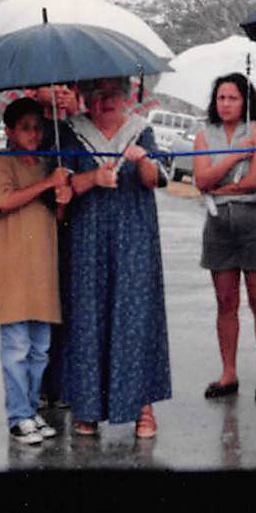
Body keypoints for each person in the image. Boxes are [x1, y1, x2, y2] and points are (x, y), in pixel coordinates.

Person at [59, 76, 172, 439]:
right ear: (86, 98)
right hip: (88, 233)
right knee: (89, 313)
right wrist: (94, 177)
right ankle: (88, 407)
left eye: (114, 94)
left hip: (134, 234)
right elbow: (65, 186)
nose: (107, 101)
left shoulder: (142, 132)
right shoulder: (71, 133)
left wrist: (142, 163)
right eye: (98, 94)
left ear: (126, 97)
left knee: (134, 313)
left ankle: (142, 407)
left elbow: (156, 179)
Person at [0, 97, 72, 444]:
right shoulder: (0, 161)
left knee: (40, 348)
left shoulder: (48, 164)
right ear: (9, 131)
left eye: (37, 128)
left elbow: (55, 214)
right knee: (17, 346)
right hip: (13, 268)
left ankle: (32, 410)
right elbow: (4, 202)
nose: (33, 134)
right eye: (25, 128)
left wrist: (62, 196)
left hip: (43, 268)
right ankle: (17, 415)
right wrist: (48, 183)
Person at [192, 72, 256, 403]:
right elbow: (201, 179)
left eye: (233, 98)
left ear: (245, 100)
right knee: (226, 301)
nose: (225, 104)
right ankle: (229, 372)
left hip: (255, 220)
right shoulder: (205, 132)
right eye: (221, 98)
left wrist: (221, 185)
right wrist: (234, 156)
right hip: (218, 224)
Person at [32, 83, 80, 411]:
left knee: (68, 305)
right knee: (41, 307)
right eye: (50, 86)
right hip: (36, 224)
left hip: (71, 225)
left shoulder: (73, 128)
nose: (57, 91)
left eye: (64, 87)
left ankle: (66, 381)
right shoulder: (29, 126)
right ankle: (41, 382)